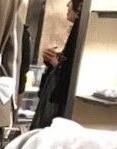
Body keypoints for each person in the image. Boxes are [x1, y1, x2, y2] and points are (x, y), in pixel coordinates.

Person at [32, 0, 83, 128]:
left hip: (62, 105)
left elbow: (72, 73)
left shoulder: (80, 34)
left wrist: (56, 64)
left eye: (71, 2)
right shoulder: (76, 33)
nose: (67, 5)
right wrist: (55, 60)